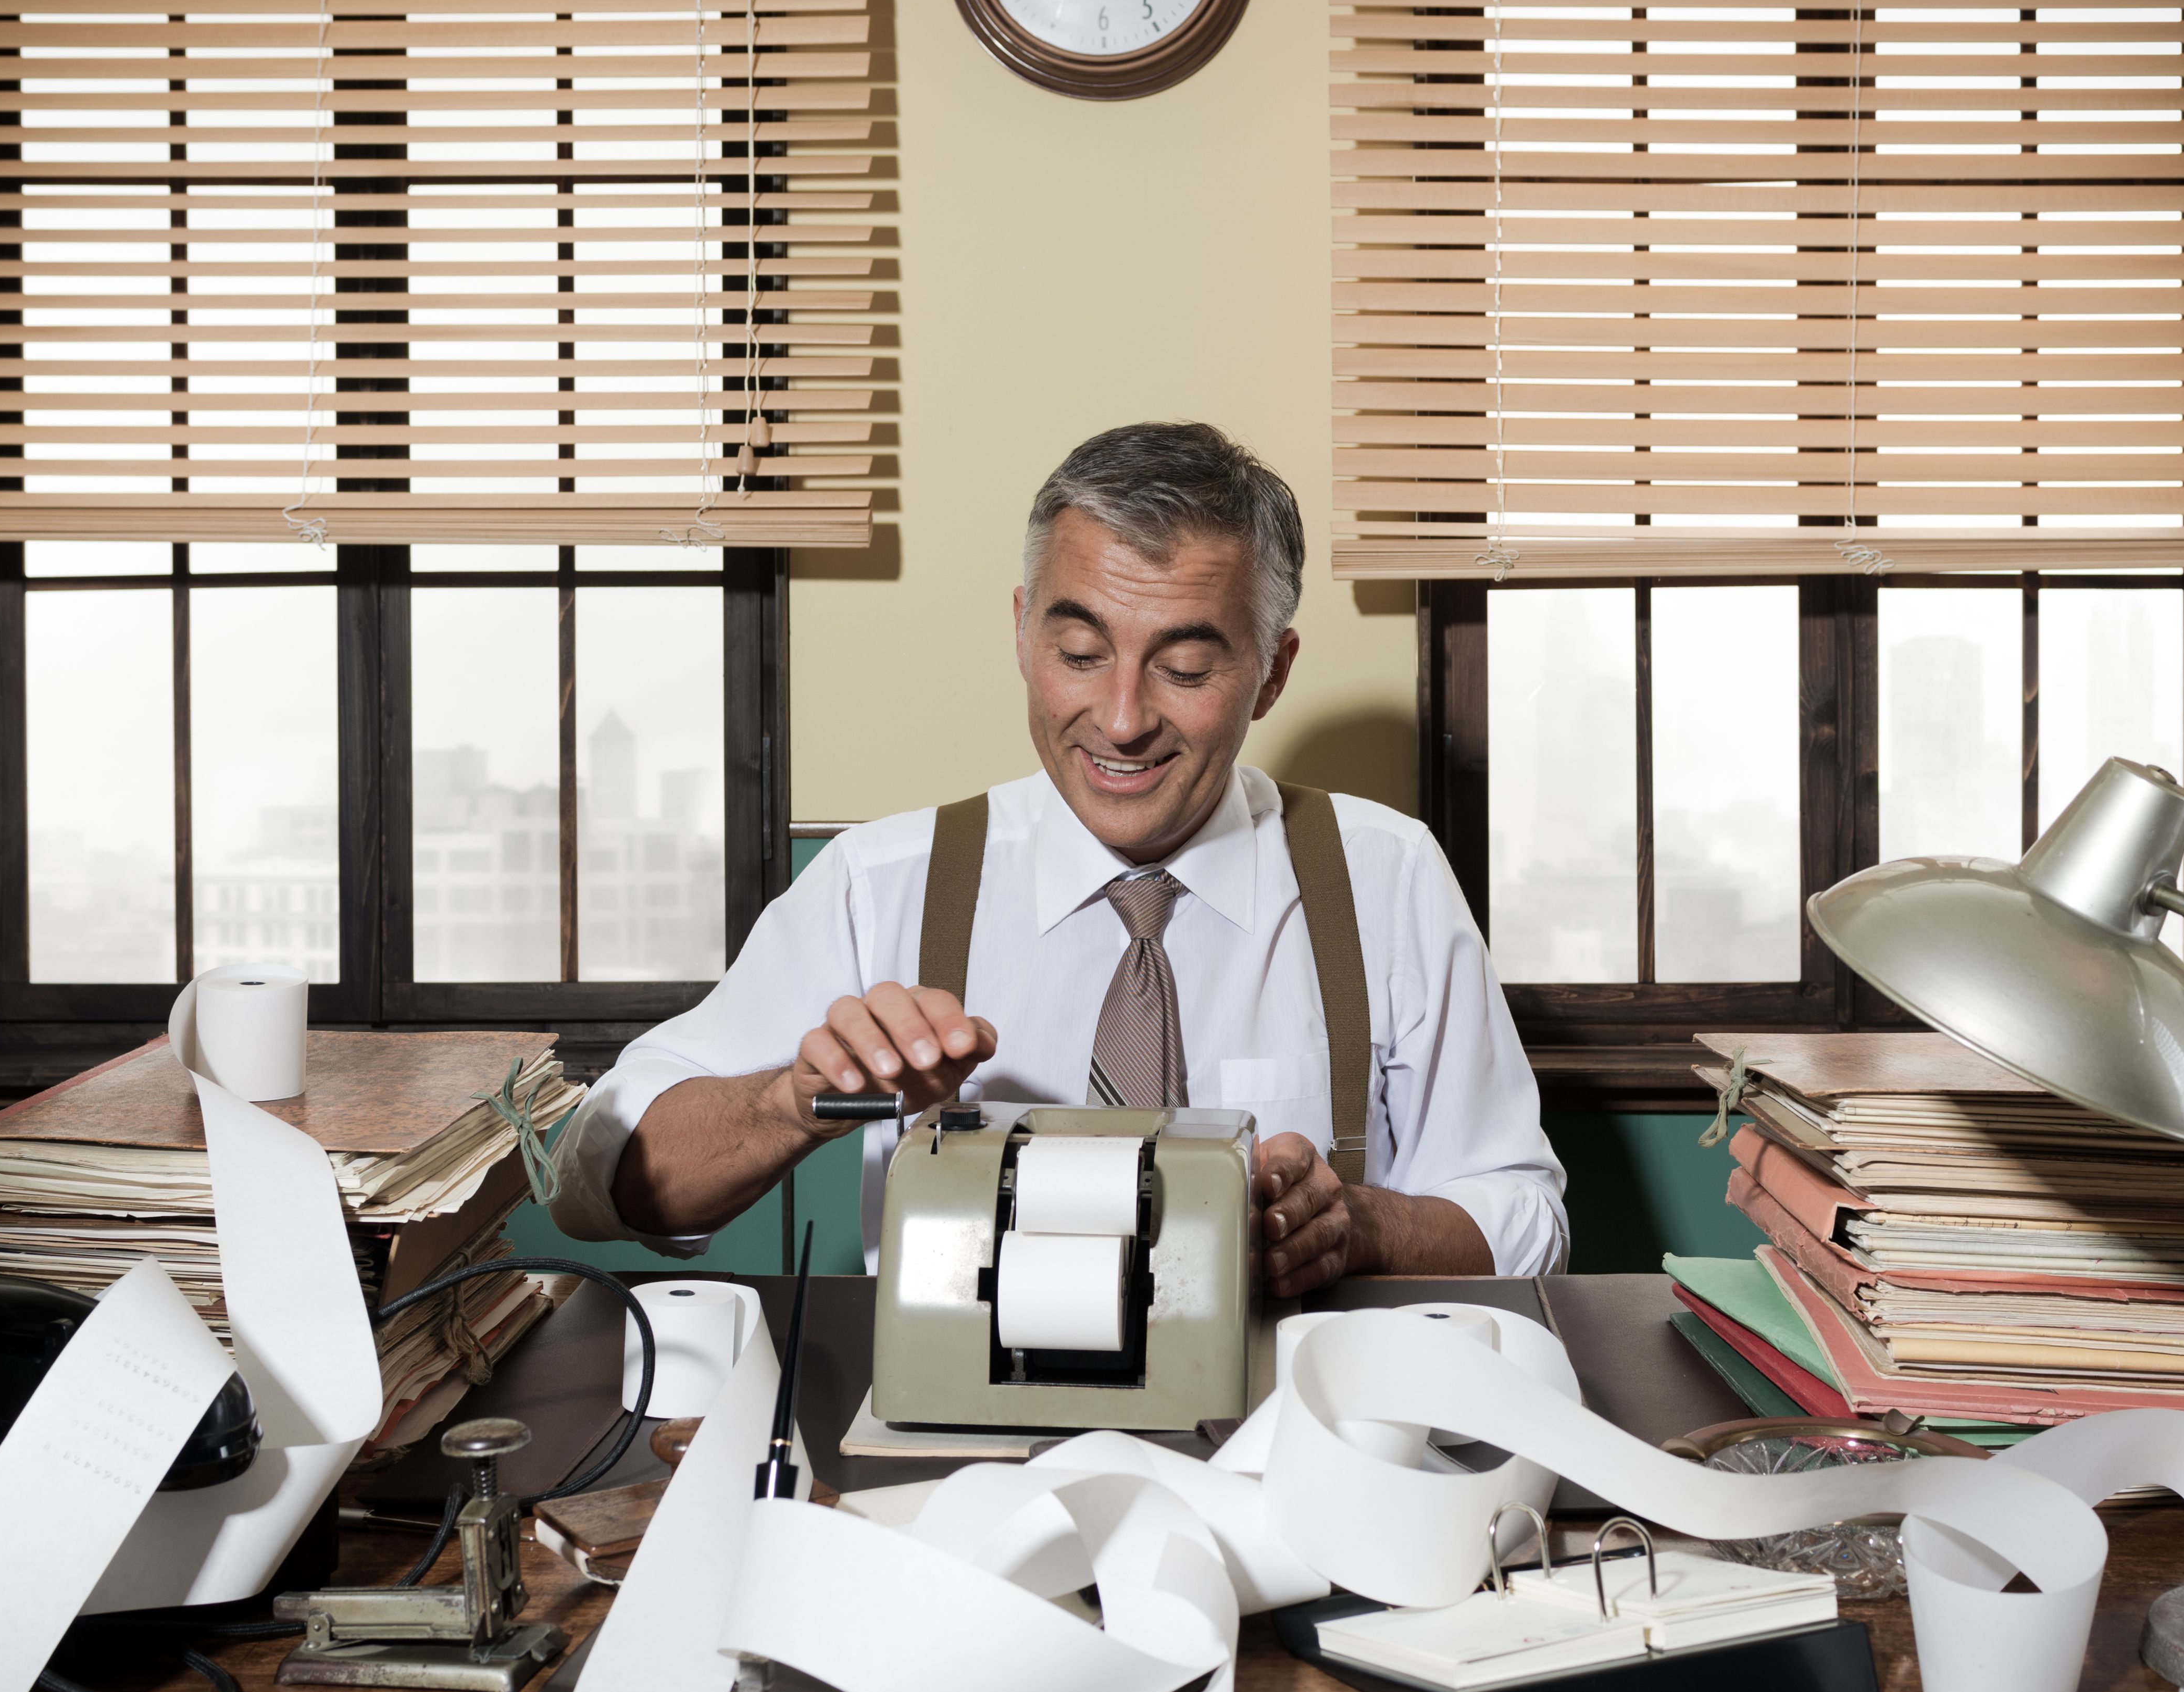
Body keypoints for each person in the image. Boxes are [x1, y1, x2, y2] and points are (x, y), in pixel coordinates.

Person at [547, 421, 1567, 1289]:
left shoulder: (1385, 876)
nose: (1120, 720)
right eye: (1078, 655)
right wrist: (787, 1101)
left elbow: (1525, 1218)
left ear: (1270, 673)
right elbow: (598, 1185)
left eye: (1184, 666)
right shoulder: (878, 884)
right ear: (1021, 630)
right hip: (954, 1476)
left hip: (1294, 1455)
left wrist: (1358, 1227)